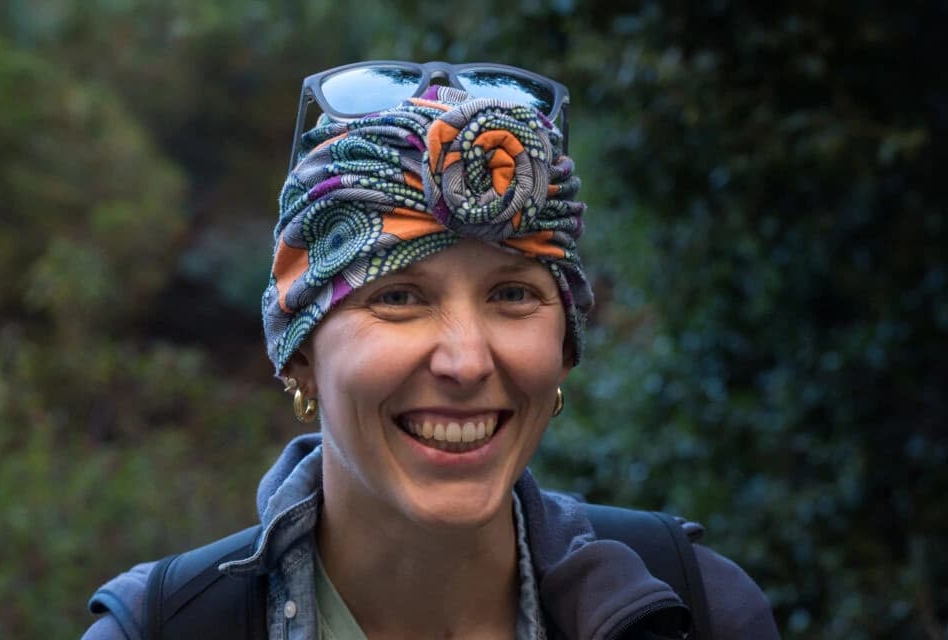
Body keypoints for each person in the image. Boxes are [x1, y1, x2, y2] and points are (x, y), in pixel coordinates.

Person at [83, 61, 780, 639]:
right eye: (399, 298)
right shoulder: (161, 629)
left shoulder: (697, 612)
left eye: (511, 295)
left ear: (565, 346)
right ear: (299, 355)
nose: (467, 361)